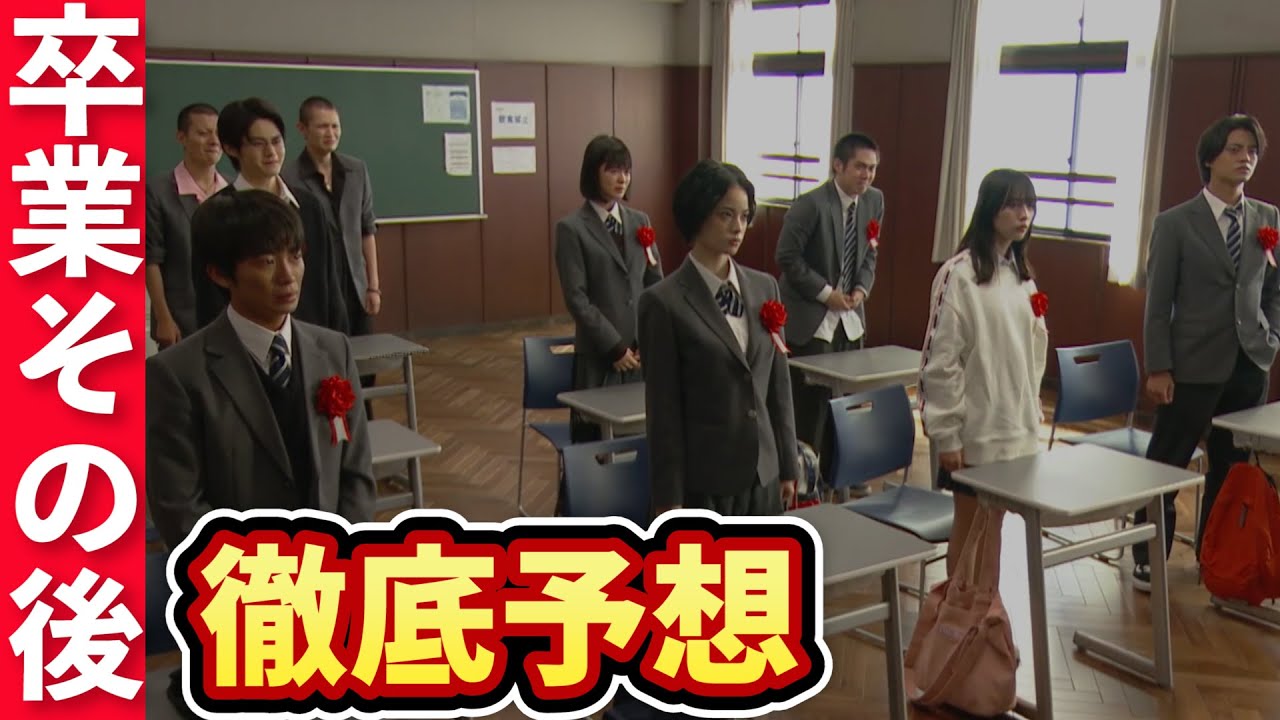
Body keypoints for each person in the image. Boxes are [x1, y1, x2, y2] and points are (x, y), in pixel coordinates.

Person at [146, 188, 376, 552]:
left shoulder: (334, 350)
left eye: (295, 256)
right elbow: (180, 508)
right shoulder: (177, 374)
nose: (288, 275)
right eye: (267, 261)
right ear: (220, 274)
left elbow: (356, 473)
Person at [1132, 113, 1278, 591]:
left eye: (1252, 150)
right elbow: (1158, 304)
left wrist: (1271, 336)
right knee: (1165, 463)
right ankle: (1147, 555)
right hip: (1190, 365)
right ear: (1210, 158)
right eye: (1235, 149)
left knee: (1231, 466)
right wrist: (1159, 367)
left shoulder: (1268, 218)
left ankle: (1213, 551)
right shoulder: (1175, 223)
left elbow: (1273, 288)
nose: (1245, 158)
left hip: (1248, 363)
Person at [638, 159, 799, 517]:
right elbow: (663, 413)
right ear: (698, 214)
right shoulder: (663, 302)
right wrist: (668, 498)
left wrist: (788, 464)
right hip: (706, 481)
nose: (738, 227)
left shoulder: (764, 287)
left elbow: (779, 386)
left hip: (764, 475)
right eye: (726, 215)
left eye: (744, 216)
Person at [919, 168, 1048, 576]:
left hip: (1015, 428)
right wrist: (947, 432)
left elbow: (1034, 354)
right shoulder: (959, 274)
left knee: (995, 526)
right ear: (990, 208)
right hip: (976, 429)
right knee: (971, 524)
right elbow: (942, 360)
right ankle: (958, 609)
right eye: (1013, 204)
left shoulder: (1022, 278)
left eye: (1029, 205)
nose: (1024, 214)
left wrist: (1031, 414)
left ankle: (985, 607)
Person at [776, 132, 883, 481]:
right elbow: (787, 257)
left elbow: (870, 253)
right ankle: (803, 480)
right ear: (838, 165)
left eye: (872, 168)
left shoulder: (874, 201)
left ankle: (841, 476)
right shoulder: (811, 205)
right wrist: (826, 293)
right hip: (813, 316)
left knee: (846, 405)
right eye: (860, 167)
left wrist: (861, 289)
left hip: (850, 317)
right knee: (811, 406)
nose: (867, 175)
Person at [194, 97, 348, 334]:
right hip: (245, 343)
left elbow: (328, 286)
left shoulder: (308, 206)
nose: (271, 152)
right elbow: (210, 301)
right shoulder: (216, 216)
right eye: (258, 144)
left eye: (276, 141)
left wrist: (336, 341)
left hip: (311, 340)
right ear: (231, 148)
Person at [554, 135, 663, 444]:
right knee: (595, 444)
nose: (622, 178)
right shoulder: (572, 228)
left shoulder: (640, 221)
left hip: (640, 355)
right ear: (593, 173)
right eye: (613, 170)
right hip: (600, 356)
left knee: (640, 440)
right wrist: (614, 347)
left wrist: (647, 338)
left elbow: (655, 284)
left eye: (626, 171)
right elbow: (577, 298)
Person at [285, 96, 381, 399]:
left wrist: (373, 286)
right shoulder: (289, 177)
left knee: (364, 365)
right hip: (318, 290)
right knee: (325, 362)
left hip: (355, 286)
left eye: (335, 126)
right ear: (302, 129)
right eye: (322, 126)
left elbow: (367, 229)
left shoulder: (356, 170)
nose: (331, 133)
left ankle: (363, 417)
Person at [145, 102, 228, 349]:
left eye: (218, 133)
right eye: (203, 133)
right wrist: (163, 318)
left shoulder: (233, 190)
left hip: (229, 319)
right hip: (181, 321)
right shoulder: (158, 191)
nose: (214, 141)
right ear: (181, 137)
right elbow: (151, 260)